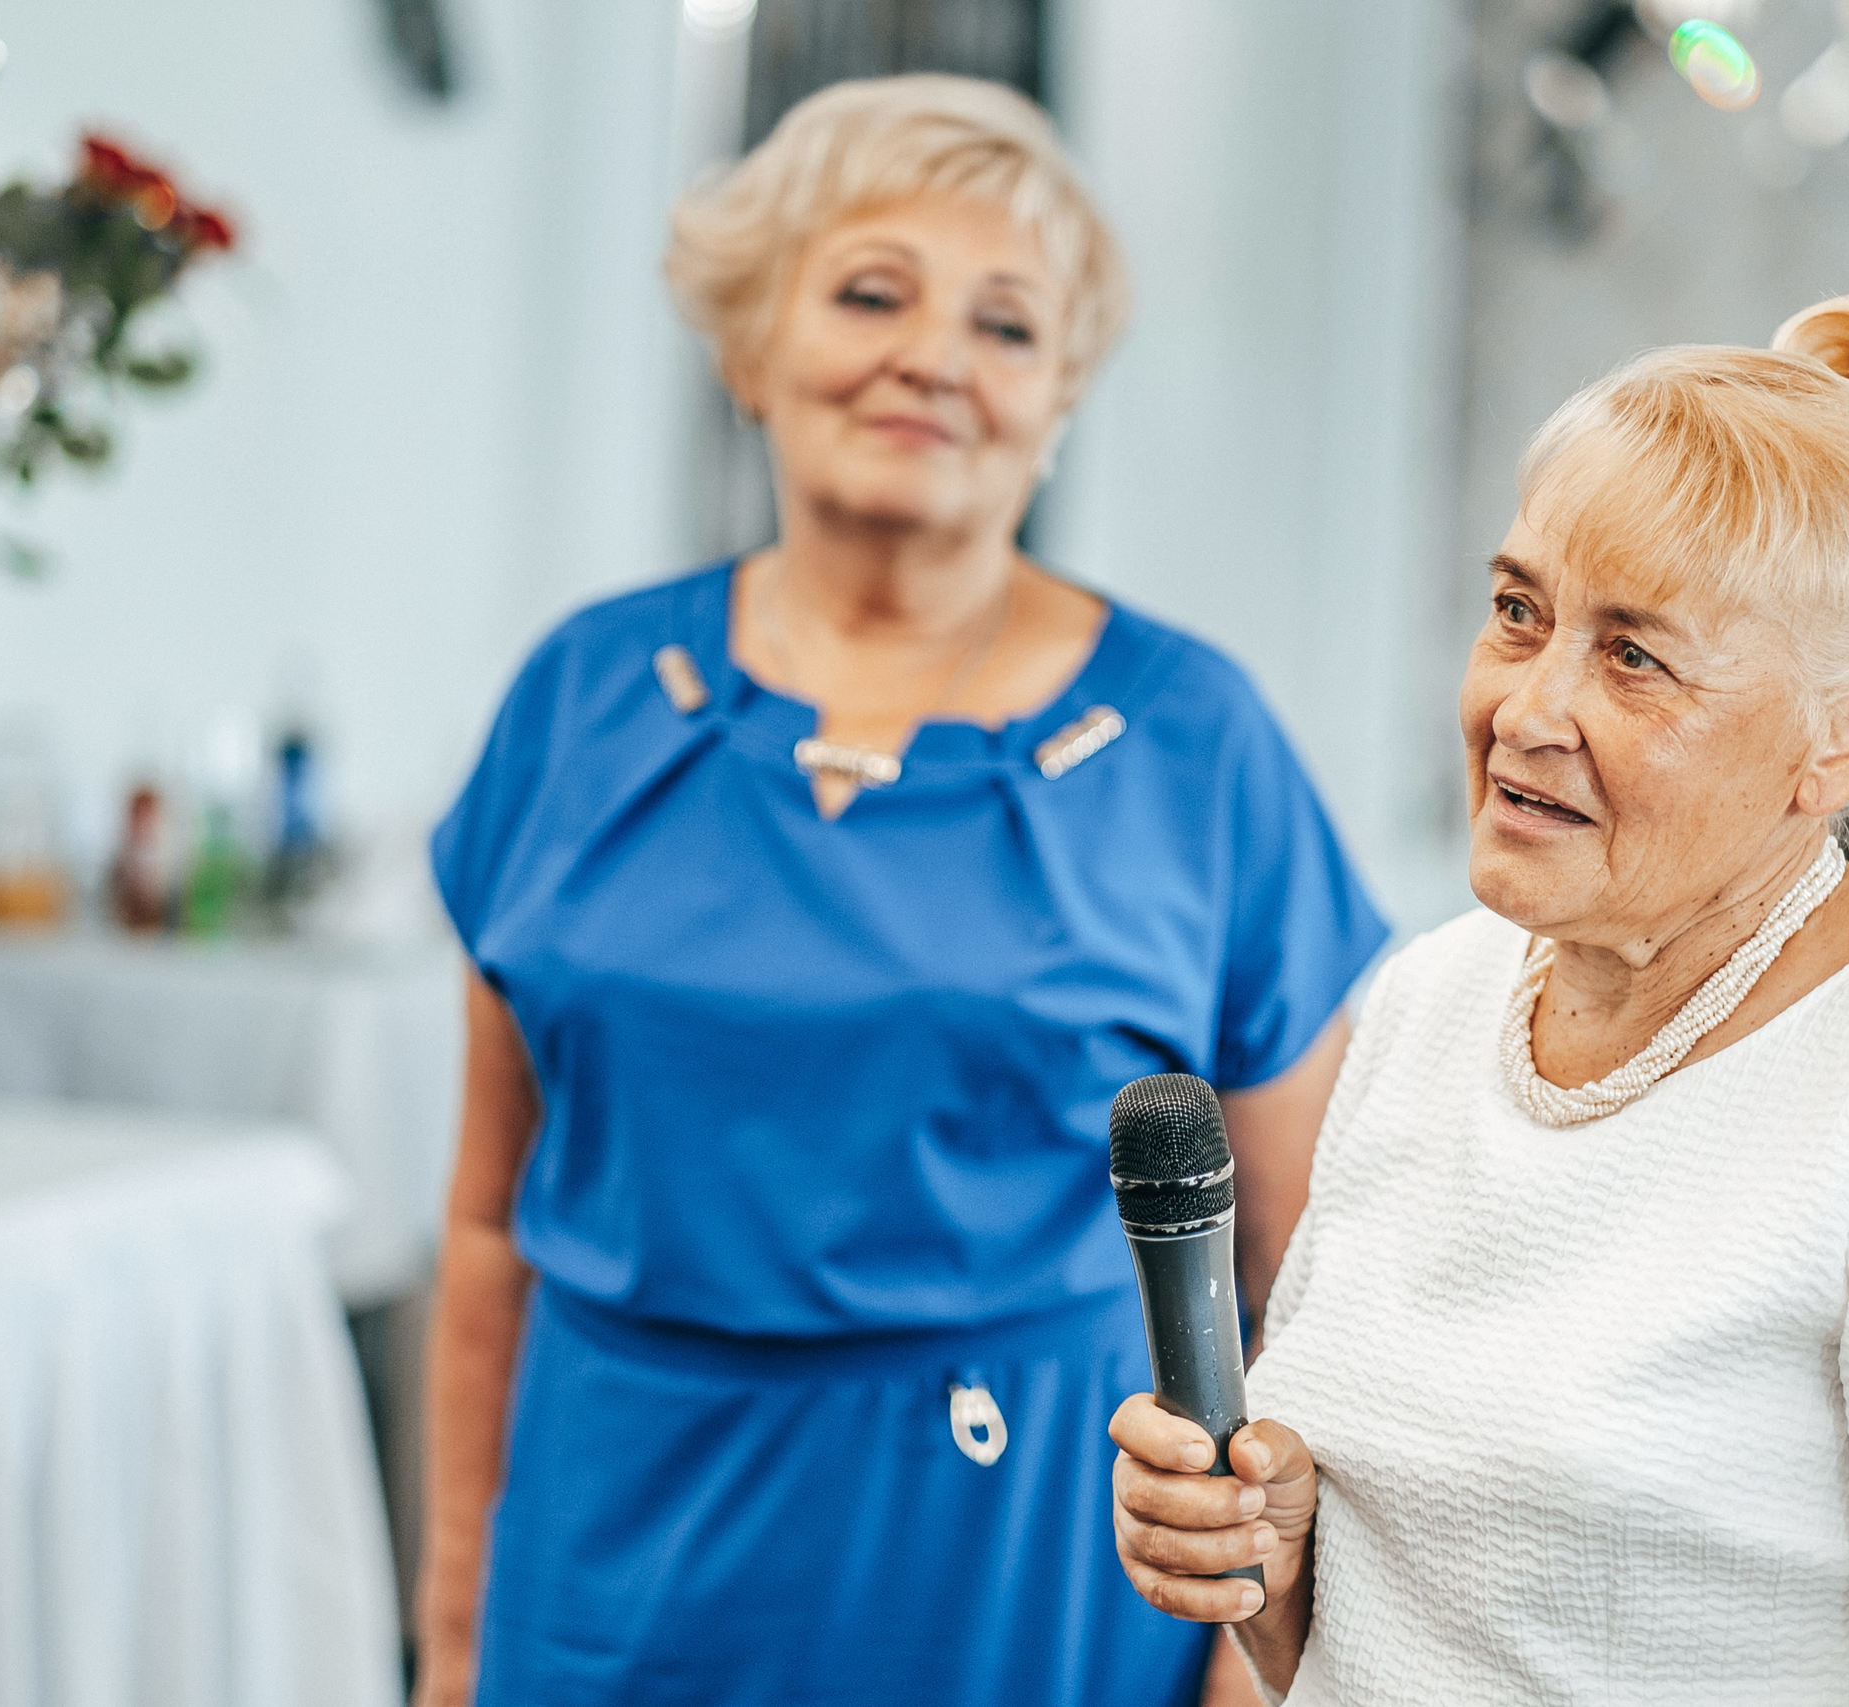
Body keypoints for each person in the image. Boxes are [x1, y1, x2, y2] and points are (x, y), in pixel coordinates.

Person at [416, 74, 1388, 1707]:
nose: (933, 354)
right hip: (612, 1559)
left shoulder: (1195, 741)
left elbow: (1315, 1269)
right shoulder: (578, 700)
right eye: (872, 292)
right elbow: (482, 1224)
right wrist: (450, 1634)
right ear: (750, 344)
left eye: (1006, 327)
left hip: (1032, 1568)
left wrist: (1264, 1670)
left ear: (1057, 403)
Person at [1110, 296, 1849, 1705]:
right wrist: (1281, 1560)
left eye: (1634, 656)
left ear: (1844, 730)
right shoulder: (1440, 998)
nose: (1526, 707)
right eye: (1519, 612)